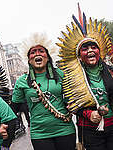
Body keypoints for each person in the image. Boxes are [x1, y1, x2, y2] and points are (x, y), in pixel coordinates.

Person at [56, 4, 113, 150]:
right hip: (89, 130)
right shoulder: (70, 77)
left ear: (99, 51)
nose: (90, 51)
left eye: (93, 47)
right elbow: (68, 102)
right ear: (79, 56)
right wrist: (88, 113)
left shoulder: (111, 71)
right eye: (85, 48)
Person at [11, 33, 76, 150]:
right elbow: (13, 109)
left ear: (47, 56)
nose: (37, 54)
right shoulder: (22, 81)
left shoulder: (61, 74)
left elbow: (72, 98)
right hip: (40, 134)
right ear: (29, 60)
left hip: (65, 129)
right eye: (33, 52)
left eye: (41, 51)